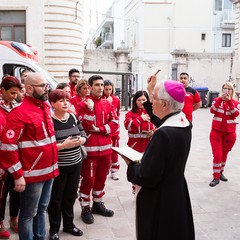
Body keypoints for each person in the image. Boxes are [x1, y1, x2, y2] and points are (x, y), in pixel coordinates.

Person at [122, 80, 195, 240]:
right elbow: (162, 120)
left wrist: (131, 164)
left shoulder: (162, 135)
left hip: (160, 199)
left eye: (153, 98)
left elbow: (146, 177)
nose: (149, 102)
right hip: (176, 191)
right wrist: (151, 89)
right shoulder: (183, 122)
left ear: (164, 104)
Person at [0, 72, 59, 240]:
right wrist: (18, 175)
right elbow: (8, 148)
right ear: (30, 88)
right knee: (27, 214)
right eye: (43, 86)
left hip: (50, 171)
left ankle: (40, 237)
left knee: (42, 209)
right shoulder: (19, 113)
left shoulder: (46, 106)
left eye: (46, 86)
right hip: (32, 176)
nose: (46, 89)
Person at [77, 75, 119, 224]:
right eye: (97, 85)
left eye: (102, 85)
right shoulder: (82, 105)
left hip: (106, 150)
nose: (100, 88)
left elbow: (115, 124)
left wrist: (100, 129)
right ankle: (85, 208)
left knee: (101, 178)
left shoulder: (109, 104)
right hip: (90, 151)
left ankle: (98, 204)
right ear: (89, 87)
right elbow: (85, 126)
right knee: (88, 179)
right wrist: (89, 109)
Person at [48, 89, 88, 240]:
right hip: (59, 167)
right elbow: (47, 146)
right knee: (56, 199)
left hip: (76, 164)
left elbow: (83, 132)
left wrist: (82, 140)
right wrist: (63, 145)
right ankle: (54, 229)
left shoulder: (72, 116)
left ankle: (69, 225)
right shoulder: (50, 121)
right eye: (61, 100)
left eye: (67, 100)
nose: (66, 103)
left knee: (70, 196)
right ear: (52, 103)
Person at [0, 75, 22, 239]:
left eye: (17, 93)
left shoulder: (17, 107)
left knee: (17, 190)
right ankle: (0, 221)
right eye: (12, 93)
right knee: (2, 193)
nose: (15, 96)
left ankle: (14, 218)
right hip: (2, 158)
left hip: (16, 156)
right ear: (2, 91)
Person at [209, 82, 240, 187]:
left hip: (230, 133)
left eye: (228, 89)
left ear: (232, 91)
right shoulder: (216, 100)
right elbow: (212, 110)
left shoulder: (236, 103)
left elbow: (235, 114)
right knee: (217, 155)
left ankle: (221, 172)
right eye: (224, 88)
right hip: (216, 132)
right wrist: (219, 100)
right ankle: (216, 177)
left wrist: (230, 102)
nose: (226, 91)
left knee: (224, 154)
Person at [102, 80, 121, 180]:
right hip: (105, 130)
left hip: (114, 131)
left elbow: (117, 114)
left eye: (110, 89)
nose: (108, 91)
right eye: (106, 89)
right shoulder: (100, 99)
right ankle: (105, 169)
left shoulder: (116, 99)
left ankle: (114, 170)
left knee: (115, 150)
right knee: (106, 151)